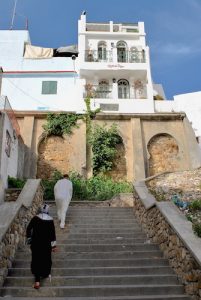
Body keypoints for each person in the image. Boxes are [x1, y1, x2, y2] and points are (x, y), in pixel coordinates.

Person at [26, 204, 56, 289]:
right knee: (46, 259)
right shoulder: (50, 220)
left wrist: (29, 239)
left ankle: (37, 281)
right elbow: (52, 234)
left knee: (36, 260)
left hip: (36, 243)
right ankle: (45, 274)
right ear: (47, 211)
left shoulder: (35, 218)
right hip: (46, 245)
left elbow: (28, 228)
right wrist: (54, 246)